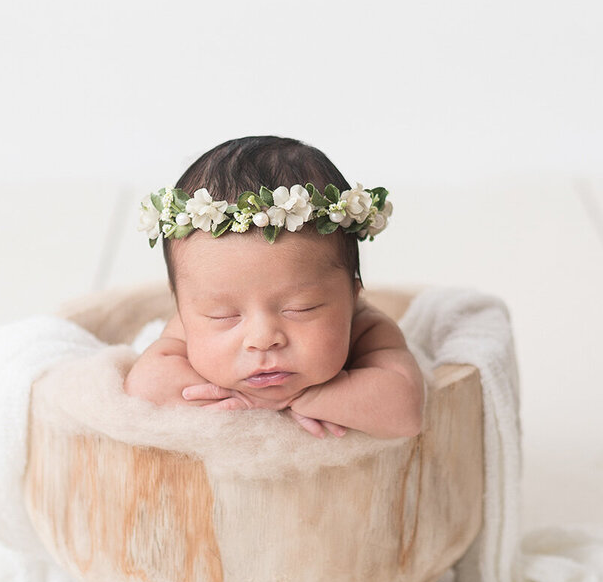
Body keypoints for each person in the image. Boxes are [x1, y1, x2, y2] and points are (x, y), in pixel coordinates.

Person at [123, 136, 424, 439]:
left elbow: (405, 410)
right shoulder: (188, 327)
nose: (263, 339)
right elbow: (145, 387)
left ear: (353, 295)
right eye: (223, 315)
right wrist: (241, 396)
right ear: (182, 308)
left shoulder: (367, 328)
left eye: (299, 308)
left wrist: (301, 398)